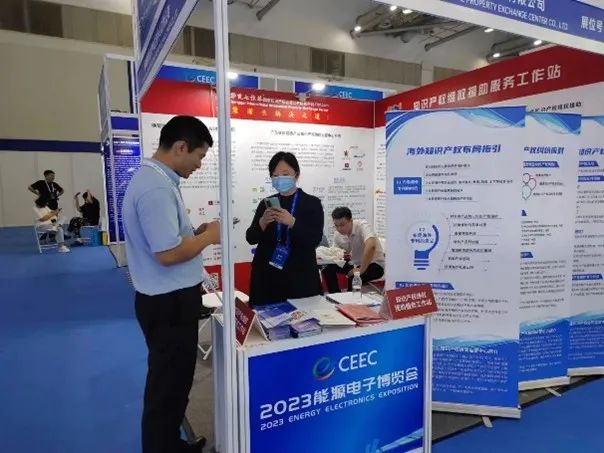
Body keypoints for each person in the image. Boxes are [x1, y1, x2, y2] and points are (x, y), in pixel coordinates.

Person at [122, 116, 220, 453]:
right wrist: (209, 236)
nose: (199, 164)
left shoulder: (156, 181)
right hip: (169, 304)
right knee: (167, 387)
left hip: (167, 301)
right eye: (199, 156)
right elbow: (167, 254)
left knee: (173, 384)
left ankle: (169, 444)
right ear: (181, 147)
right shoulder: (156, 188)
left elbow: (169, 242)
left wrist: (195, 233)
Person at [246, 152, 324, 306]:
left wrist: (293, 222)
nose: (279, 179)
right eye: (275, 175)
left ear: (297, 175)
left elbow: (314, 239)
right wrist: (262, 223)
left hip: (299, 278)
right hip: (267, 278)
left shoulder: (312, 203)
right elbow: (251, 238)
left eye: (285, 174)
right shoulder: (266, 203)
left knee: (304, 317)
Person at [322, 207, 385, 293]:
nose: (339, 228)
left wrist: (360, 270)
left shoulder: (362, 225)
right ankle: (336, 295)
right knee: (327, 268)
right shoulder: (337, 235)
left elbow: (371, 246)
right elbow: (336, 255)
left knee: (354, 277)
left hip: (374, 265)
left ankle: (351, 298)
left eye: (342, 225)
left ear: (351, 220)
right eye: (336, 226)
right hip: (355, 264)